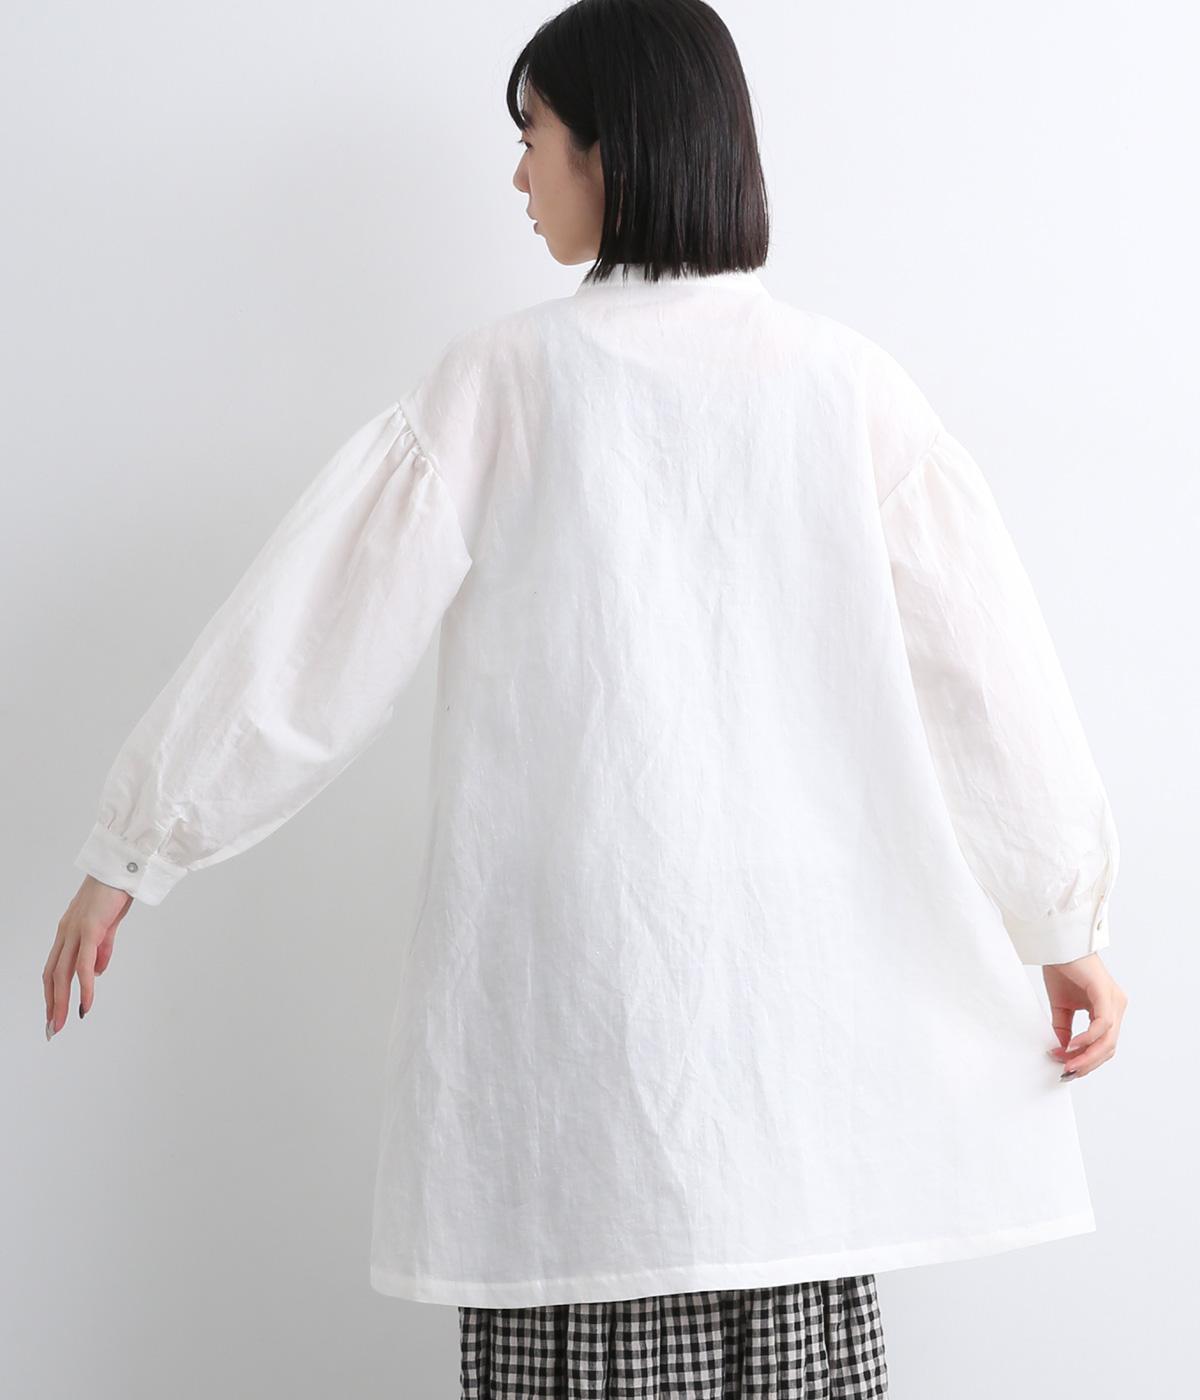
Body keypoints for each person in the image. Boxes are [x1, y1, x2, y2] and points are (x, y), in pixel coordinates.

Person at [45, 1, 1128, 1395]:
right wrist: (1059, 917)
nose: (517, 175)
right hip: (793, 1051)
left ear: (611, 150)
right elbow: (987, 675)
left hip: (573, 1037)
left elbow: (314, 634)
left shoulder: (504, 383)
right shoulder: (846, 389)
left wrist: (139, 842)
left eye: (534, 136)